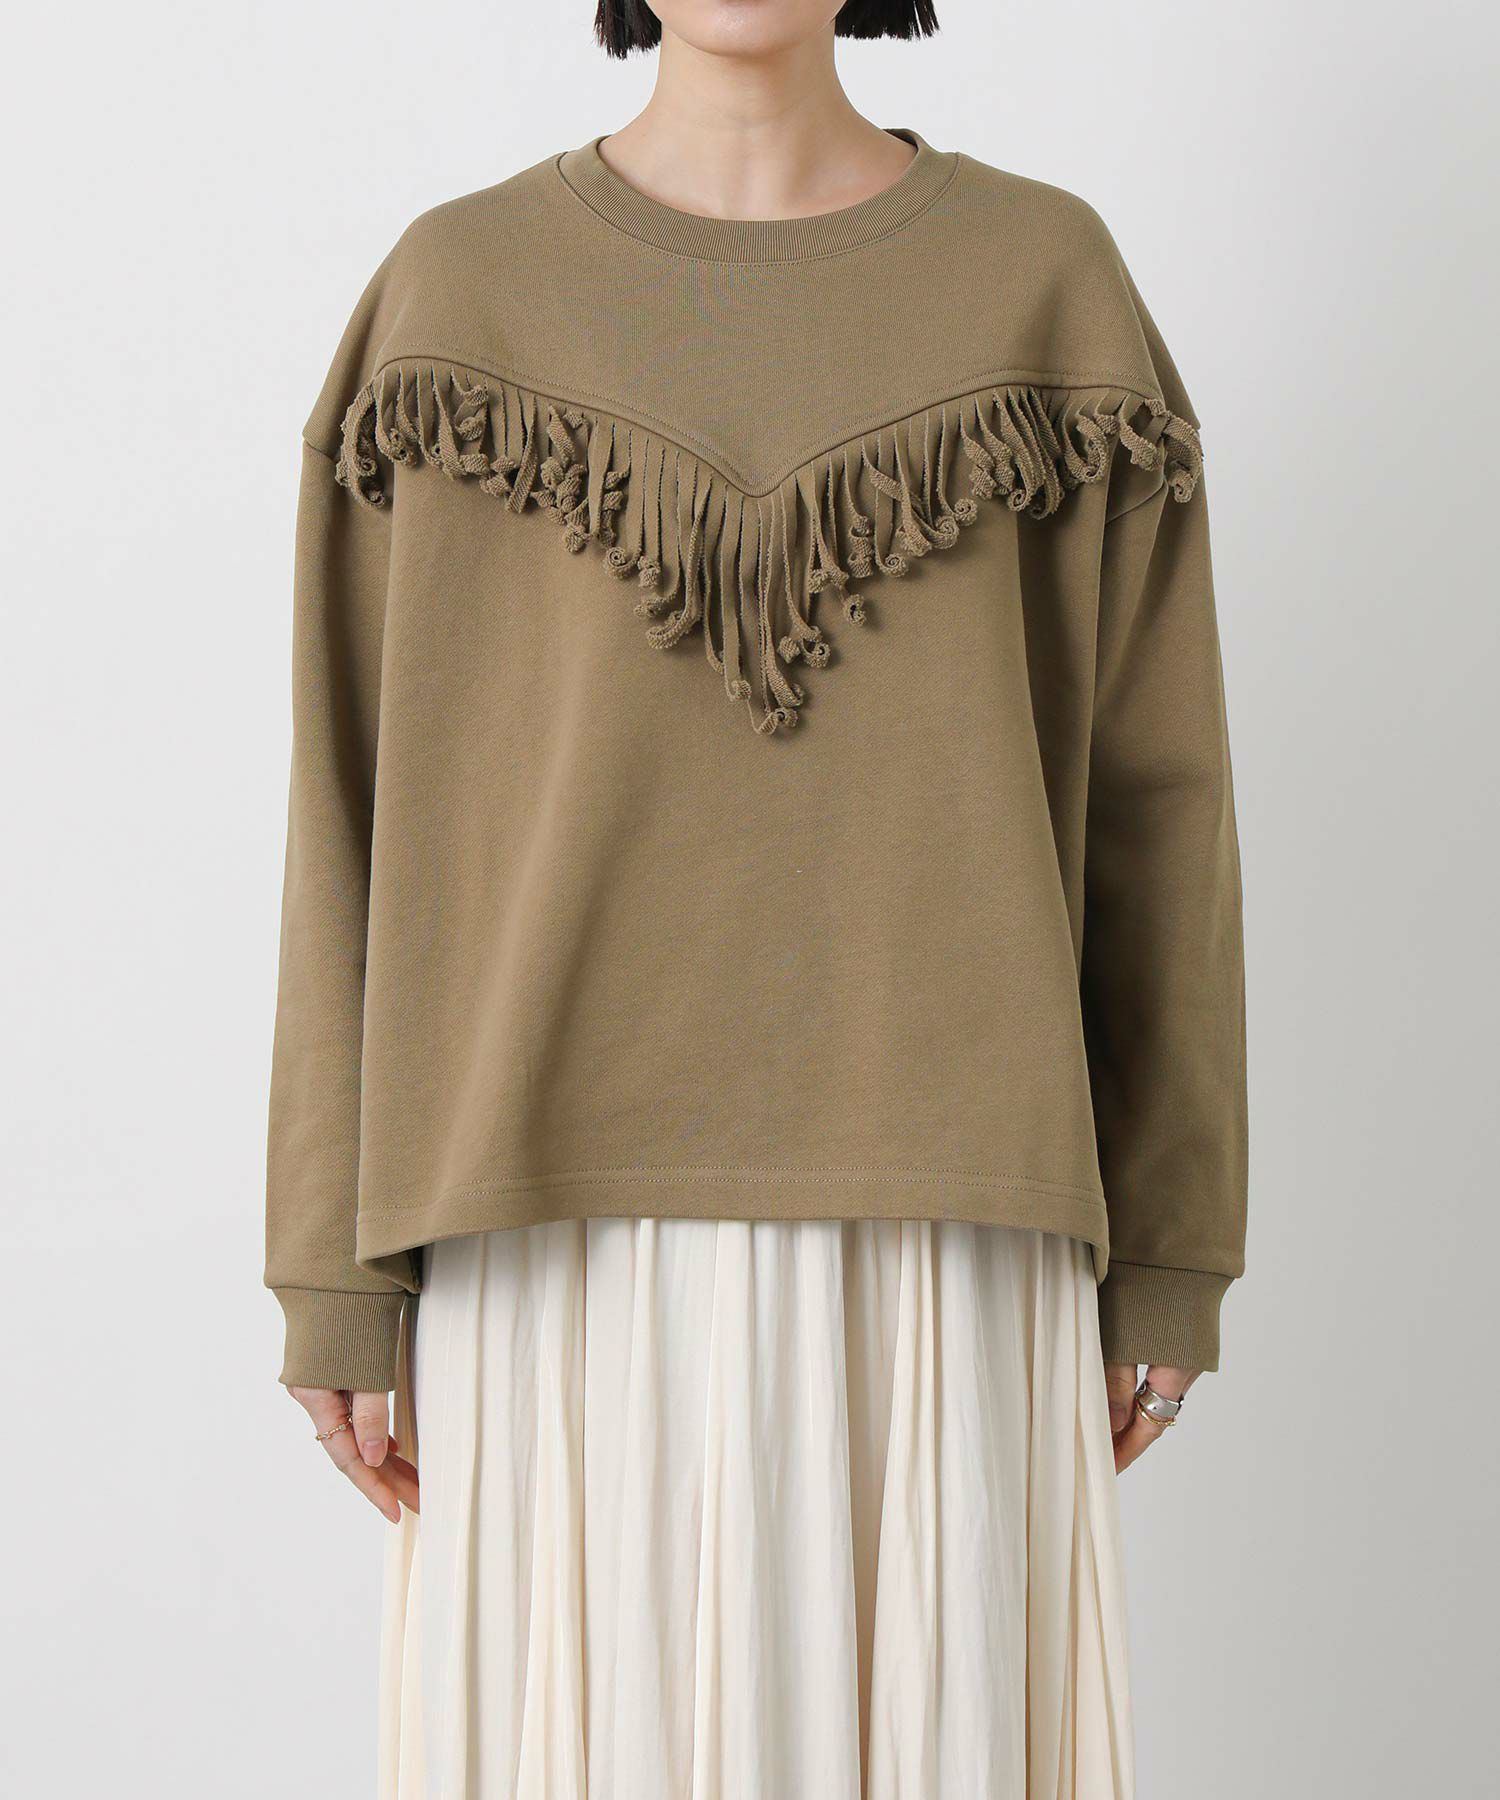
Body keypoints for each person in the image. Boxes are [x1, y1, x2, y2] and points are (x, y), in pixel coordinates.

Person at [266, 2, 1247, 1793]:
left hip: (953, 1232)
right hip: (545, 1233)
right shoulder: (455, 299)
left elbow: (1159, 802)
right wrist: (329, 1264)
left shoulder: (1048, 287)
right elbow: (351, 800)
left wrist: (1176, 1250)